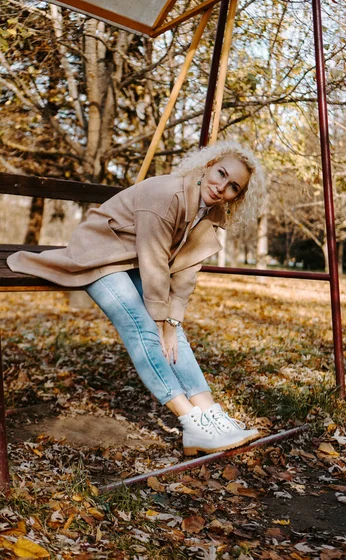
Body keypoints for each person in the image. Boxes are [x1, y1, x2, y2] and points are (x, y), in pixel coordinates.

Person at [7, 140, 265, 456]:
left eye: (232, 186)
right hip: (99, 251)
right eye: (221, 173)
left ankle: (212, 413)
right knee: (142, 326)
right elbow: (155, 261)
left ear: (236, 196)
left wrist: (171, 321)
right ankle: (192, 422)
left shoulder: (210, 213)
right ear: (207, 166)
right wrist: (159, 321)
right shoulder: (166, 194)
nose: (221, 186)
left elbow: (184, 274)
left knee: (173, 330)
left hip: (130, 259)